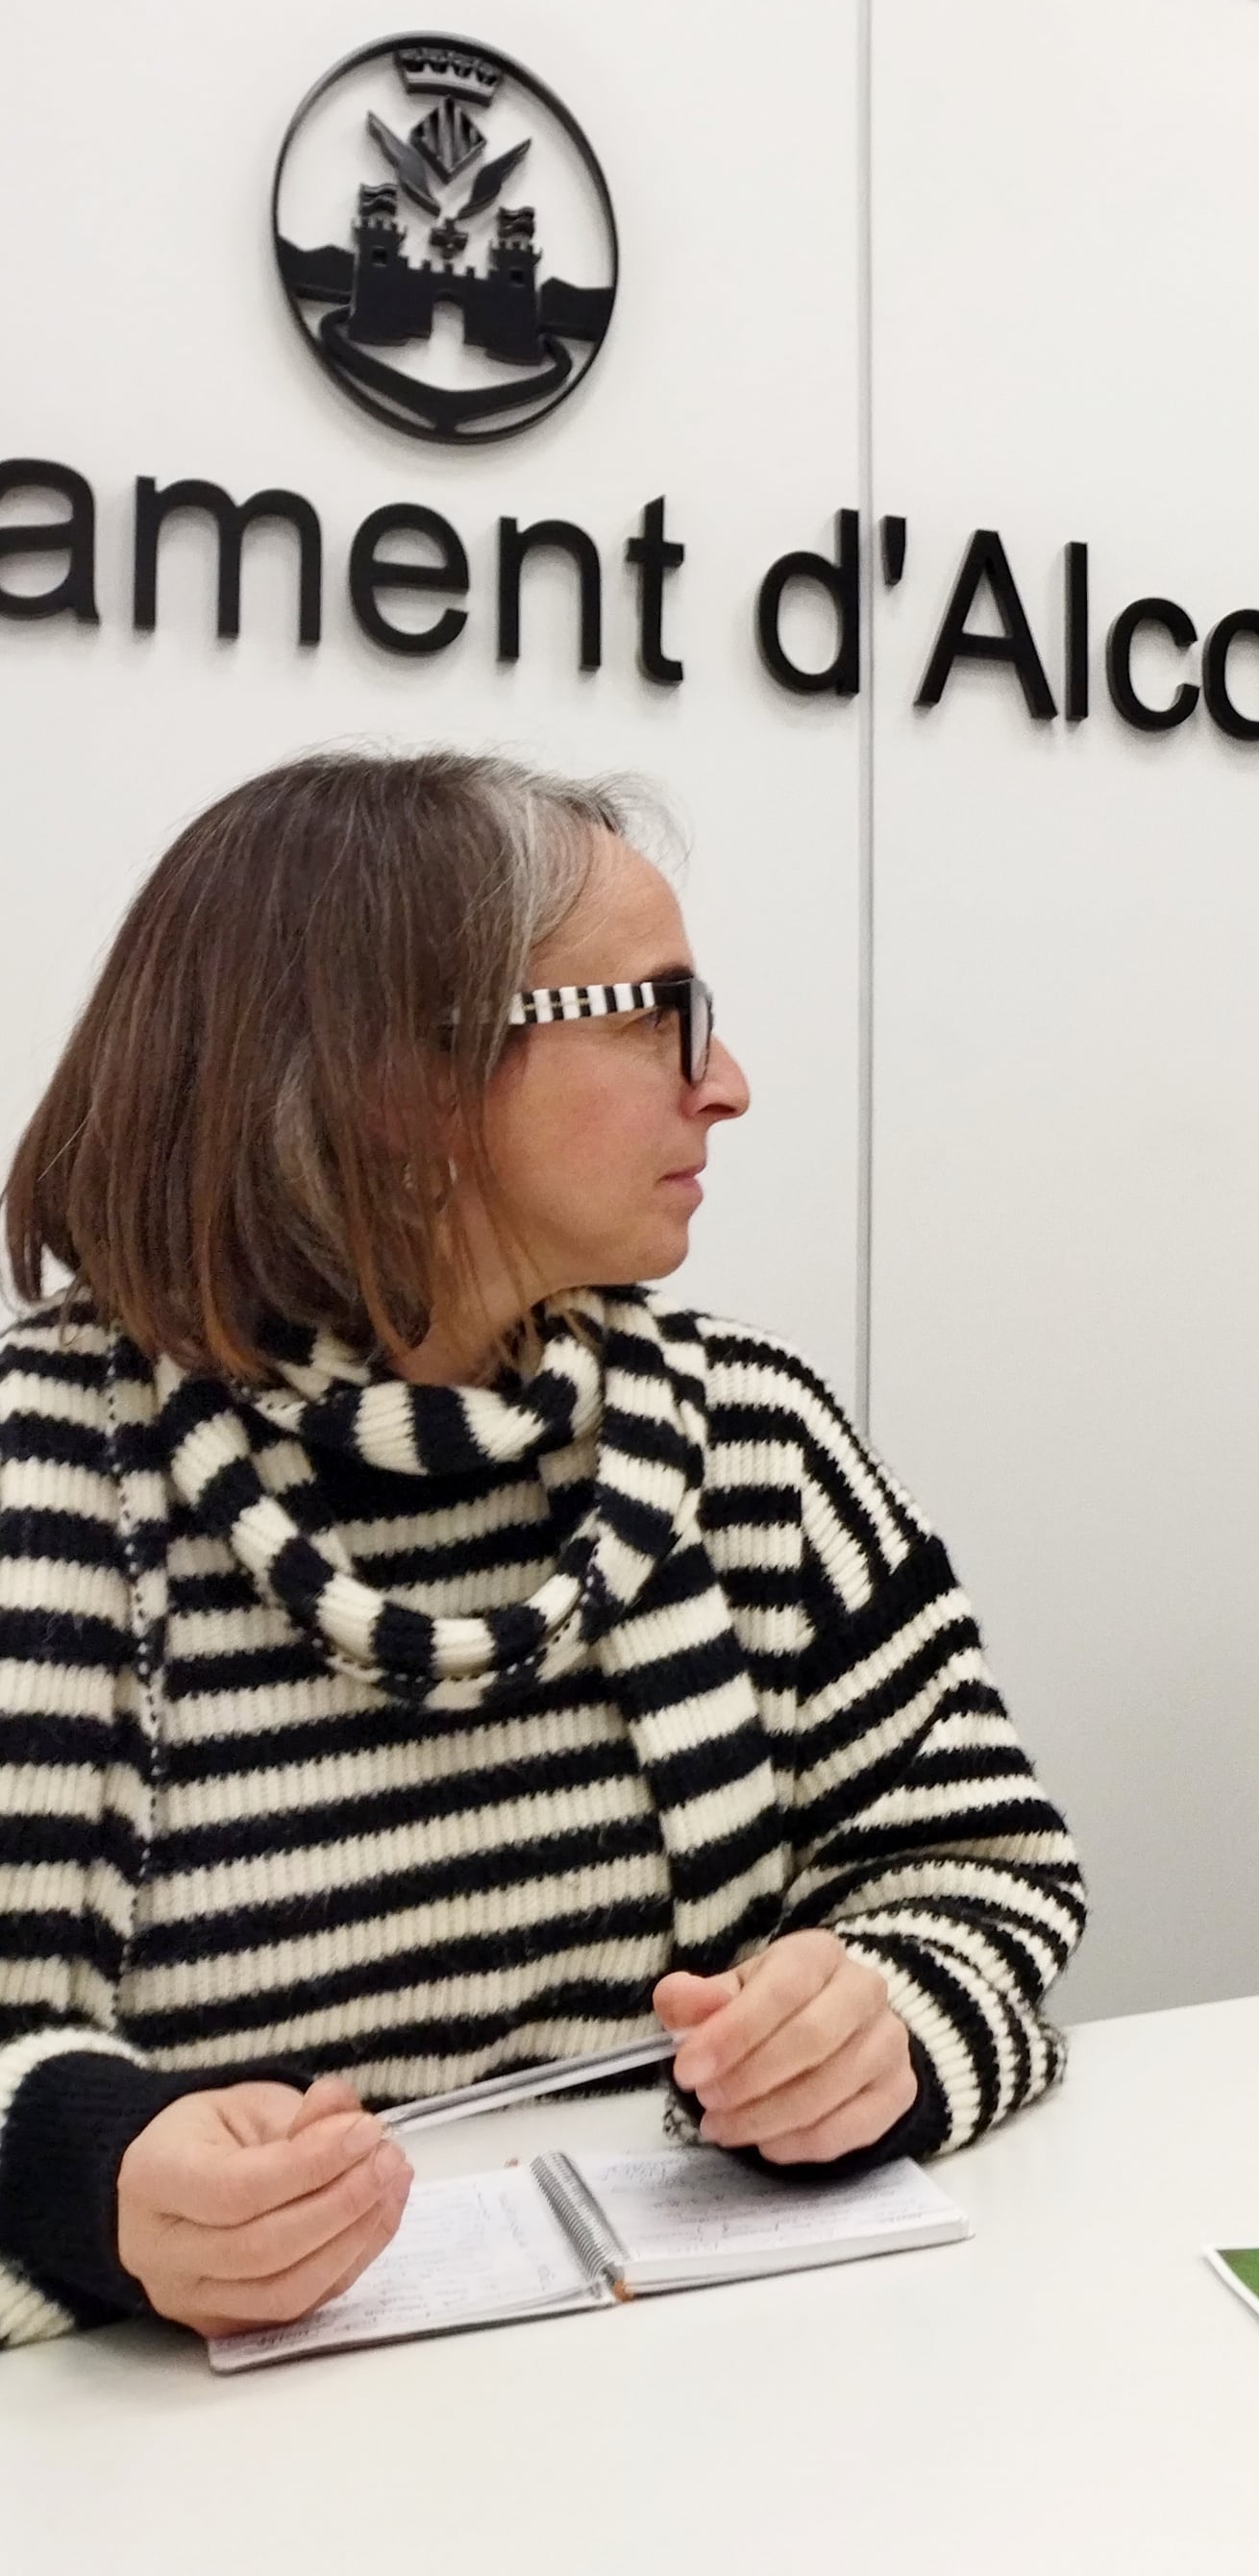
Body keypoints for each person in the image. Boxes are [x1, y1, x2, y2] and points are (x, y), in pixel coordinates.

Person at [0, 749, 1082, 2347]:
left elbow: (987, 1869)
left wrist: (884, 2027)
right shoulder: (42, 1482)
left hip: (728, 2408)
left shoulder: (752, 1439)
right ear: (402, 1071)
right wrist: (80, 2173)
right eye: (667, 1016)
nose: (727, 1085)